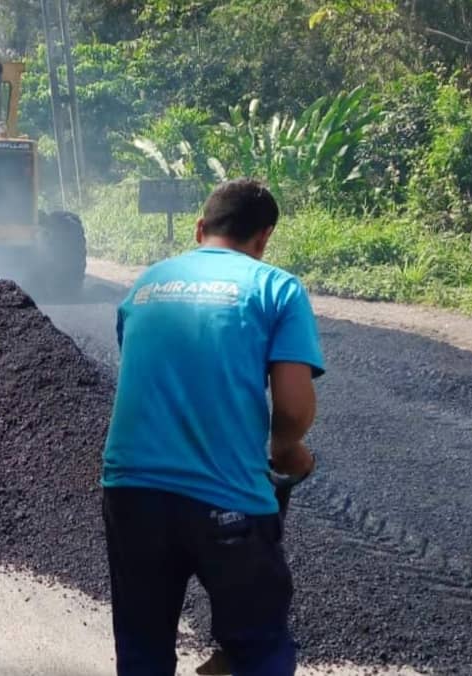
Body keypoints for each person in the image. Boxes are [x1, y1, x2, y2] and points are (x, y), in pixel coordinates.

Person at [101, 178, 324, 676]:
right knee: (260, 650)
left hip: (131, 492)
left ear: (200, 228)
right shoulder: (276, 288)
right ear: (263, 238)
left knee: (142, 650)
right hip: (228, 502)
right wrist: (287, 450)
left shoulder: (146, 283)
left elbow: (148, 370)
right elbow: (291, 407)